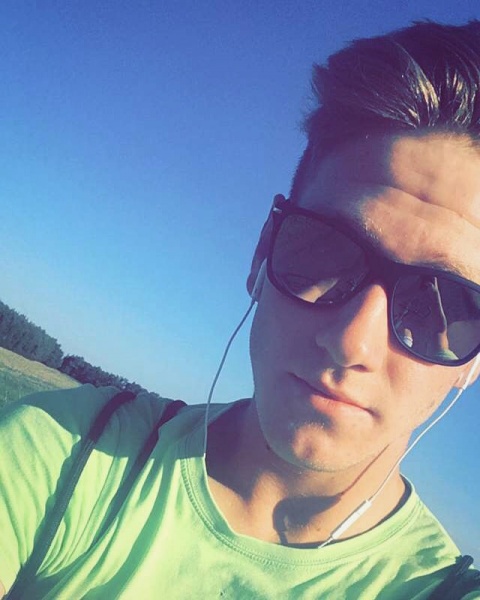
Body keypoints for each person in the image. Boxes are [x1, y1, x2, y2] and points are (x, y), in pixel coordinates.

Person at [2, 19, 480, 599]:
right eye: (324, 252)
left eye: (437, 305)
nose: (351, 342)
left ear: (472, 363)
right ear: (262, 252)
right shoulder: (65, 455)